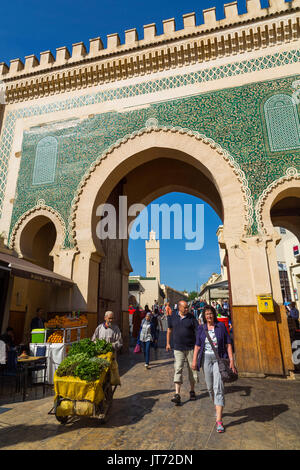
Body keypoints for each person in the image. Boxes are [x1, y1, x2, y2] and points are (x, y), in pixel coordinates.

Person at [192, 306, 237, 433]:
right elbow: (197, 345)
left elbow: (228, 344)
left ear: (214, 314)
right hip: (206, 359)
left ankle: (219, 420)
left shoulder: (221, 327)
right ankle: (216, 406)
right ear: (204, 316)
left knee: (218, 388)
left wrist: (232, 361)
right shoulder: (201, 328)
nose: (209, 316)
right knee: (210, 388)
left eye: (210, 314)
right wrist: (194, 360)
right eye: (206, 314)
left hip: (219, 359)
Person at [166, 300, 199, 406]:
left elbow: (197, 331)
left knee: (191, 370)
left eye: (187, 307)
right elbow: (169, 330)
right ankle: (177, 394)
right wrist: (167, 343)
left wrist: (198, 345)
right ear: (179, 307)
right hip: (178, 348)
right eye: (184, 307)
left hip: (190, 348)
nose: (186, 309)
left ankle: (192, 390)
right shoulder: (173, 317)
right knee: (178, 368)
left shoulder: (191, 317)